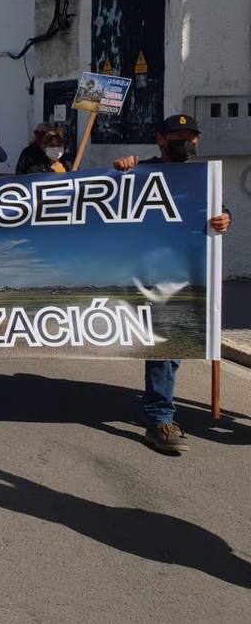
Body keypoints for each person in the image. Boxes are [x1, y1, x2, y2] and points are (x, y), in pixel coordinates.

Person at [126, 115, 231, 453]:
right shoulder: (141, 171)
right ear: (160, 139)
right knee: (159, 343)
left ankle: (159, 414)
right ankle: (158, 415)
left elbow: (218, 211)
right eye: (176, 136)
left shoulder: (203, 178)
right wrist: (121, 170)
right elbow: (112, 192)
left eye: (189, 137)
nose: (184, 143)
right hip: (141, 273)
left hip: (182, 274)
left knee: (170, 347)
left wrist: (223, 218)